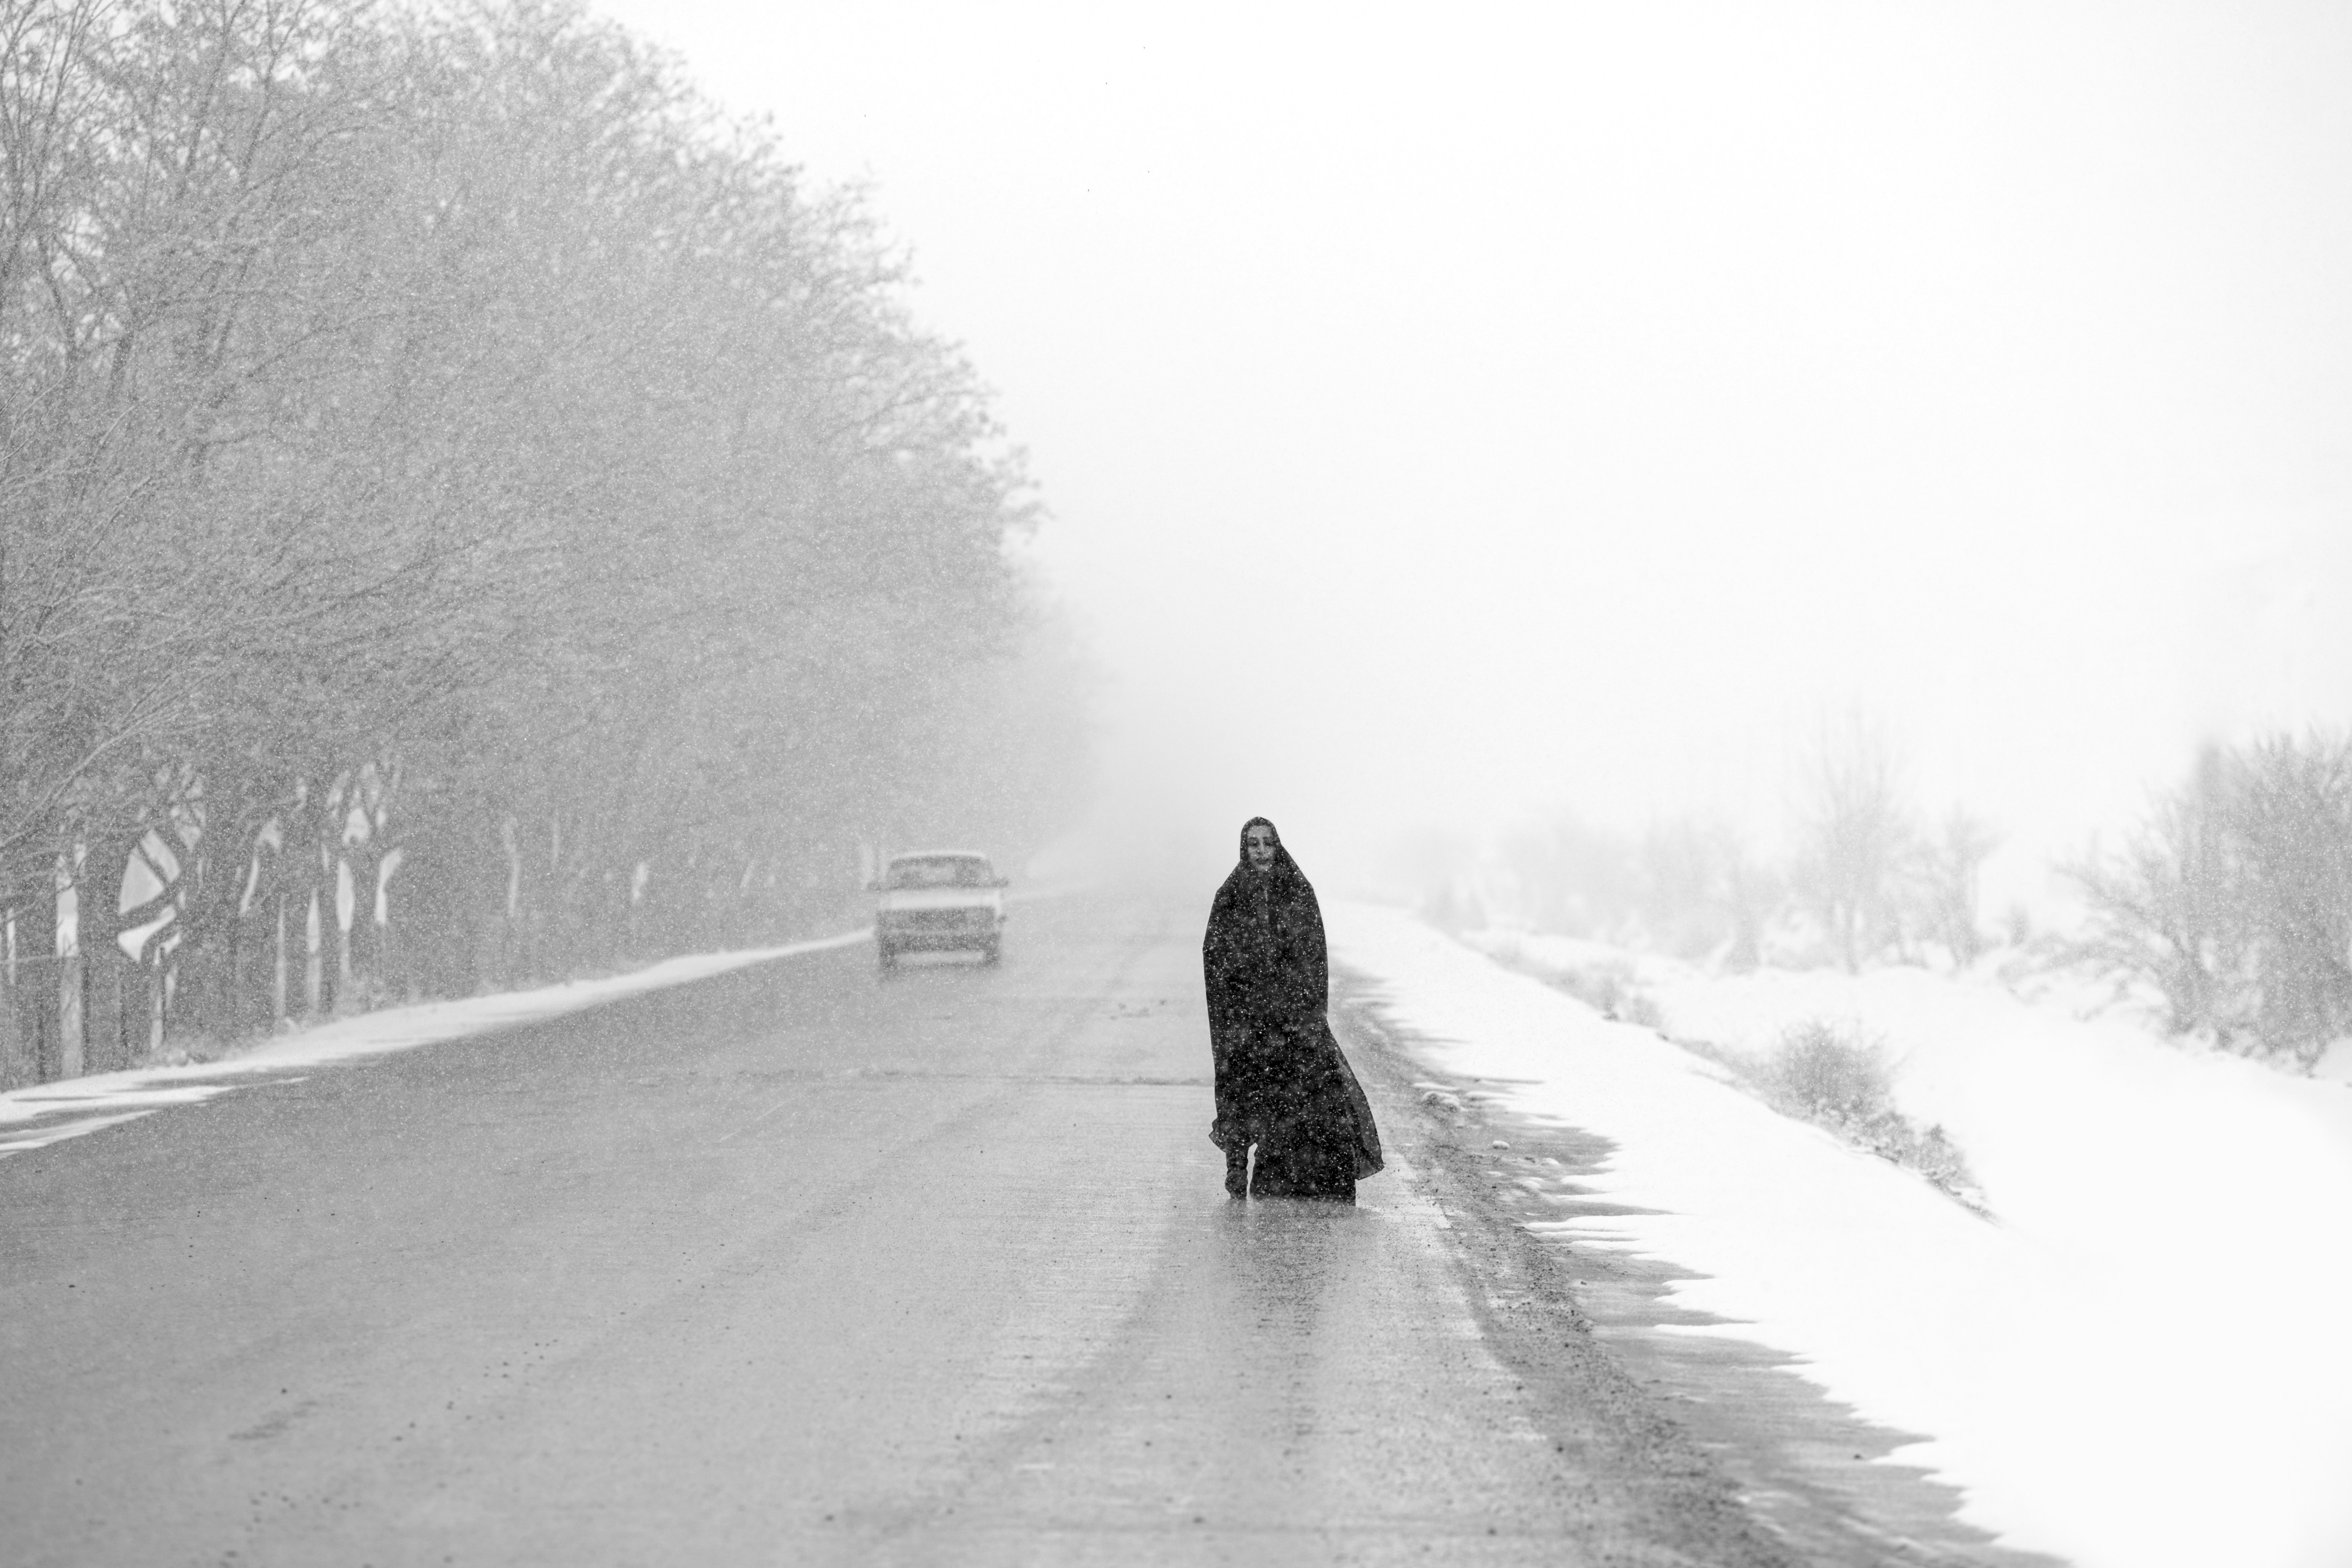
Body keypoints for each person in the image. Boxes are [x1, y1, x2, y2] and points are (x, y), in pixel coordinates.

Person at [1201, 818, 1383, 1201]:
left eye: (1268, 843)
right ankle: (1236, 1165)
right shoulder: (1230, 895)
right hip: (1247, 1015)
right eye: (1254, 844)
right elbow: (1215, 954)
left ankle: (1302, 1177)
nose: (1261, 851)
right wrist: (1242, 993)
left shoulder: (1297, 890)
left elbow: (1314, 953)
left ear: (1278, 846)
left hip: (1292, 1014)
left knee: (1309, 1091)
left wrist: (1301, 1004)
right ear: (1244, 849)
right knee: (1242, 1085)